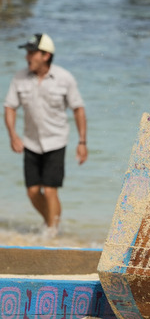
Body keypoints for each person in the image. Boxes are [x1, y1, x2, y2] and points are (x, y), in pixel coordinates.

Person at [4, 33, 88, 238]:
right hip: (31, 142)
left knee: (50, 191)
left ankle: (52, 233)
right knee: (32, 192)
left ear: (46, 55)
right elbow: (10, 107)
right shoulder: (19, 78)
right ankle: (51, 222)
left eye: (32, 52)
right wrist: (13, 135)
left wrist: (82, 142)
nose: (27, 57)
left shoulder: (64, 78)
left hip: (56, 141)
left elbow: (78, 109)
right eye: (27, 52)